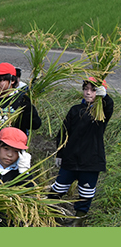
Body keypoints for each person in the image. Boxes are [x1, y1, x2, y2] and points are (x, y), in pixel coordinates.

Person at [49, 78, 114, 226]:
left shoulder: (101, 113)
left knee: (86, 193)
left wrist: (105, 97)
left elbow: (109, 107)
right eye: (86, 89)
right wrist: (60, 153)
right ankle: (49, 213)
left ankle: (79, 220)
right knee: (58, 188)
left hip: (91, 162)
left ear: (99, 92)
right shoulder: (75, 110)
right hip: (70, 160)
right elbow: (63, 132)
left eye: (93, 90)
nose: (88, 92)